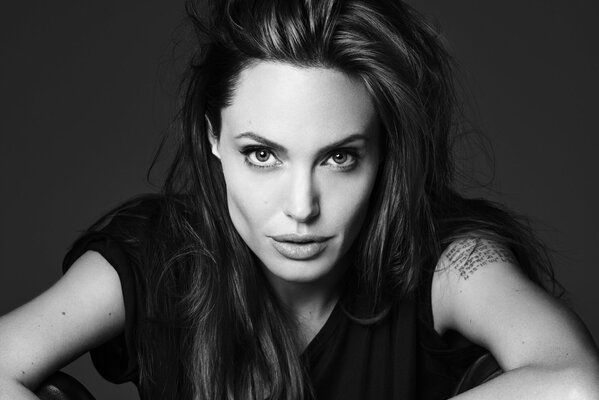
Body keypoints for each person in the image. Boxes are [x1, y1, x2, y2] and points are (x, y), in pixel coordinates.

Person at [1, 0, 598, 399]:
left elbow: (577, 383)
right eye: (263, 154)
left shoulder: (444, 258)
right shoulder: (156, 255)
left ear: (383, 152)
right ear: (213, 138)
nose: (302, 206)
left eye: (339, 158)